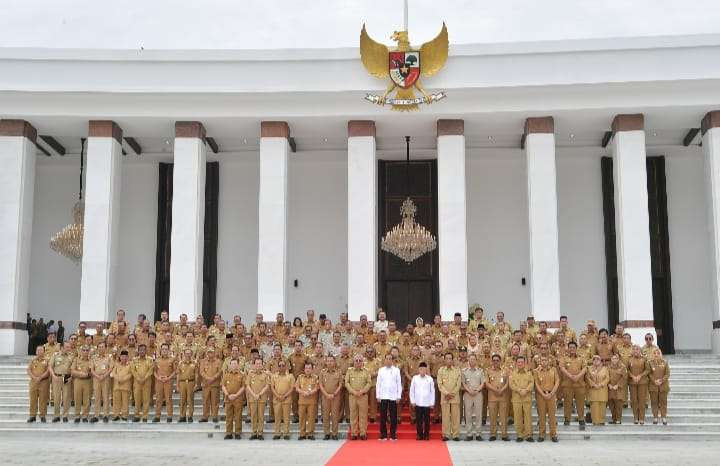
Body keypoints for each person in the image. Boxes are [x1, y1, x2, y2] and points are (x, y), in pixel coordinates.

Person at [559, 341, 587, 426]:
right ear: (568, 349)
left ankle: (581, 418)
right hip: (568, 384)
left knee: (580, 402)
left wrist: (578, 376)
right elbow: (562, 368)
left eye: (573, 347)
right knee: (567, 402)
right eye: (570, 347)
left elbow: (585, 368)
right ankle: (567, 419)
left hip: (580, 384)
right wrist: (570, 376)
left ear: (576, 348)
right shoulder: (564, 358)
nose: (572, 349)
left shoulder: (581, 358)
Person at [376, 353, 402, 441]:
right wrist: (378, 395)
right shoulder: (381, 370)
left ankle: (393, 434)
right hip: (383, 396)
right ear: (384, 360)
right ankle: (383, 434)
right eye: (387, 358)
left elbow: (399, 383)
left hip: (393, 396)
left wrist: (399, 396)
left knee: (393, 416)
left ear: (392, 360)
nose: (388, 360)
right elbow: (378, 384)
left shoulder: (396, 370)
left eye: (390, 359)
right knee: (383, 416)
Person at [533, 355, 559, 442]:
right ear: (539, 361)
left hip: (551, 395)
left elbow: (557, 381)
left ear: (549, 361)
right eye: (542, 360)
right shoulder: (536, 371)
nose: (544, 361)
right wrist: (543, 394)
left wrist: (552, 393)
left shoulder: (554, 370)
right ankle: (541, 434)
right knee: (542, 416)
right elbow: (536, 384)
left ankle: (553, 434)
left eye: (545, 360)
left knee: (552, 416)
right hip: (541, 395)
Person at [437, 352, 462, 441]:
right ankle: (446, 434)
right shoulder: (441, 370)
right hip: (445, 397)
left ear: (452, 360)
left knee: (455, 416)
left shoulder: (457, 370)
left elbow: (458, 384)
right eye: (446, 358)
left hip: (454, 397)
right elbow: (440, 384)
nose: (448, 360)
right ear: (444, 360)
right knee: (445, 416)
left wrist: (452, 394)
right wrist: (446, 393)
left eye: (450, 358)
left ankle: (455, 435)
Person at [345, 355, 371, 440]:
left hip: (363, 396)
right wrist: (353, 391)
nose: (358, 362)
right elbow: (347, 383)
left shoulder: (366, 371)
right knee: (353, 415)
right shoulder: (349, 371)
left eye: (360, 360)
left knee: (363, 416)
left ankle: (363, 433)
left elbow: (369, 383)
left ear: (362, 362)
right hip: (352, 396)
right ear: (354, 362)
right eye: (356, 360)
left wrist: (362, 391)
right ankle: (354, 433)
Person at [509, 356, 534, 442]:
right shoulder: (512, 373)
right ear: (516, 363)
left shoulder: (529, 373)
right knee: (517, 417)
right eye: (518, 362)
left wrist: (526, 390)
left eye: (522, 362)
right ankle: (519, 435)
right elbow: (511, 384)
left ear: (525, 363)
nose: (520, 363)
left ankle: (528, 435)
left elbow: (531, 383)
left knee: (528, 417)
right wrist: (519, 390)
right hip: (517, 398)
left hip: (527, 398)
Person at [461, 353, 485, 441]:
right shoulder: (464, 371)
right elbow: (463, 383)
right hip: (468, 394)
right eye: (471, 359)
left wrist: (477, 390)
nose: (472, 361)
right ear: (468, 360)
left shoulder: (480, 371)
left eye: (474, 359)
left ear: (476, 360)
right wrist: (468, 390)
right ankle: (469, 434)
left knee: (479, 414)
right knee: (468, 414)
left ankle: (478, 433)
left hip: (478, 394)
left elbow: (482, 383)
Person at [319, 355, 343, 440]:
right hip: (325, 397)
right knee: (325, 416)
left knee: (335, 415)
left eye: (331, 361)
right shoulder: (322, 372)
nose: (329, 362)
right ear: (326, 362)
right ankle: (327, 433)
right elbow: (321, 384)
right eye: (328, 361)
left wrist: (334, 394)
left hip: (335, 397)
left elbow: (340, 384)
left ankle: (334, 433)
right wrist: (326, 394)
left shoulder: (338, 372)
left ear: (334, 362)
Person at [409, 361, 435, 440]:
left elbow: (432, 391)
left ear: (426, 370)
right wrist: (412, 401)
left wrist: (432, 402)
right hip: (418, 403)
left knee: (427, 420)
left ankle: (426, 435)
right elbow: (412, 391)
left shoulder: (430, 379)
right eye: (421, 369)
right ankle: (419, 435)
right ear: (419, 370)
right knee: (419, 420)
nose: (422, 371)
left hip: (427, 403)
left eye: (424, 369)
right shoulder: (415, 378)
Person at [246, 357, 270, 439]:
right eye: (257, 363)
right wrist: (253, 394)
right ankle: (253, 432)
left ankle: (260, 433)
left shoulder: (265, 374)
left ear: (262, 365)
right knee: (253, 416)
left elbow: (267, 386)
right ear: (254, 365)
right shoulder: (250, 374)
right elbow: (247, 385)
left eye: (260, 363)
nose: (258, 365)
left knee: (261, 416)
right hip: (252, 398)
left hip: (261, 398)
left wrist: (259, 394)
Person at [271, 360, 295, 439]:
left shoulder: (290, 376)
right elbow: (272, 387)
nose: (281, 367)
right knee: (277, 417)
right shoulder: (274, 376)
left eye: (283, 365)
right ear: (278, 367)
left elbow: (292, 388)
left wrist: (284, 396)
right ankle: (277, 433)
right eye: (280, 365)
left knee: (286, 417)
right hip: (277, 399)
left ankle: (286, 433)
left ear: (286, 367)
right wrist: (277, 395)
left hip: (286, 399)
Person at [221, 359, 245, 440]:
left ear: (238, 365)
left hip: (238, 399)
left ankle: (238, 432)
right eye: (232, 364)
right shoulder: (226, 375)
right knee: (229, 416)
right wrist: (227, 394)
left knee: (238, 416)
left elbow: (243, 387)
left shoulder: (242, 375)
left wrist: (236, 395)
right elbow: (223, 386)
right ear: (230, 365)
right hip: (228, 399)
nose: (233, 365)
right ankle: (229, 432)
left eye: (235, 364)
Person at [90, 341, 113, 423]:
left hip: (105, 378)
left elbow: (110, 368)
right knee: (97, 397)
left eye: (102, 347)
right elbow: (92, 369)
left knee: (106, 397)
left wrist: (104, 376)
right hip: (96, 379)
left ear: (105, 348)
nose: (101, 348)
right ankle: (96, 415)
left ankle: (106, 415)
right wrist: (97, 376)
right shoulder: (94, 358)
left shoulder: (109, 357)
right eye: (99, 347)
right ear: (97, 348)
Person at [296, 361, 320, 440]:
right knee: (302, 418)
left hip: (311, 401)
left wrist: (310, 393)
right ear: (304, 369)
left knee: (311, 418)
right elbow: (297, 387)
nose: (308, 369)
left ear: (312, 369)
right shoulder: (300, 377)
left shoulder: (315, 377)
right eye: (306, 368)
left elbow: (317, 388)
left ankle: (310, 433)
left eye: (309, 368)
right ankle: (302, 433)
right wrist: (303, 392)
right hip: (302, 401)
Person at [130, 344, 154, 422]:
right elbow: (133, 370)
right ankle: (137, 415)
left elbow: (151, 370)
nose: (142, 351)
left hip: (146, 382)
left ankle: (145, 416)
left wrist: (144, 378)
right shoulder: (134, 360)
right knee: (137, 400)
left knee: (146, 400)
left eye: (143, 350)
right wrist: (138, 378)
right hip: (137, 383)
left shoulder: (150, 359)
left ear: (146, 351)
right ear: (138, 351)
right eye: (140, 350)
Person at [153, 343, 176, 422]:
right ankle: (157, 416)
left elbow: (174, 371)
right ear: (160, 350)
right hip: (159, 382)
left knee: (168, 399)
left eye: (166, 349)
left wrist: (168, 377)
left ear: (168, 350)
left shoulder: (172, 359)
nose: (164, 351)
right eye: (163, 349)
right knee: (158, 399)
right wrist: (158, 377)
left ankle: (169, 416)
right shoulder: (157, 360)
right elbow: (154, 371)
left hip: (168, 381)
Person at [27, 345, 50, 423]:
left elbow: (48, 371)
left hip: (43, 382)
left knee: (43, 400)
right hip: (34, 383)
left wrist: (40, 378)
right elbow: (28, 370)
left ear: (44, 351)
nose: (39, 352)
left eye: (41, 350)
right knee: (33, 400)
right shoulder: (32, 360)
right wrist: (34, 377)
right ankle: (32, 415)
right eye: (38, 350)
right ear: (36, 351)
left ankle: (42, 416)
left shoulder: (47, 360)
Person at [70, 345, 93, 423]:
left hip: (88, 382)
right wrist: (82, 374)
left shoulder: (91, 361)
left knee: (86, 399)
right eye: (84, 350)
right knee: (77, 398)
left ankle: (85, 416)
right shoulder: (76, 360)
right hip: (78, 381)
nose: (85, 352)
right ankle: (77, 415)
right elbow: (72, 371)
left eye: (87, 350)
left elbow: (93, 371)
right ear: (81, 351)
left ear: (89, 352)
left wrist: (87, 374)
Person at [628, 345, 649, 425]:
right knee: (634, 400)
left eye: (637, 349)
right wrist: (632, 376)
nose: (635, 350)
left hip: (642, 382)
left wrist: (640, 375)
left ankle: (641, 418)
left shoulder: (644, 359)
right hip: (633, 382)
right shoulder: (629, 359)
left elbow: (647, 370)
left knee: (642, 400)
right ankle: (635, 417)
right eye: (634, 349)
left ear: (640, 350)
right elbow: (627, 370)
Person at [199, 347, 222, 423]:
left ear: (214, 353)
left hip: (215, 384)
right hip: (206, 384)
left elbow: (220, 372)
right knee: (205, 401)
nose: (210, 354)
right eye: (209, 352)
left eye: (211, 352)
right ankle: (205, 416)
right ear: (207, 353)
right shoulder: (203, 361)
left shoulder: (218, 361)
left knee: (215, 401)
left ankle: (215, 416)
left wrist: (214, 378)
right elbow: (201, 372)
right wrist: (208, 378)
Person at [648, 348, 670, 425]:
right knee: (654, 402)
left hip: (663, 386)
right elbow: (649, 374)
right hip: (653, 386)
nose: (656, 355)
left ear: (660, 354)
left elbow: (667, 374)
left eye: (658, 353)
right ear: (652, 355)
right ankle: (655, 417)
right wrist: (654, 381)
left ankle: (663, 417)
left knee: (663, 402)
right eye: (654, 353)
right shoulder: (650, 363)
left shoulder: (665, 362)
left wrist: (661, 380)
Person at [586, 355, 609, 425]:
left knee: (602, 406)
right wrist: (593, 384)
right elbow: (587, 378)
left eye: (597, 359)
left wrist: (601, 384)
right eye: (594, 359)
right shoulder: (589, 369)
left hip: (602, 390)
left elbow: (607, 378)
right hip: (593, 390)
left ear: (601, 361)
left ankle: (602, 421)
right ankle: (595, 421)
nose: (596, 361)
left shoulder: (605, 368)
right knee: (594, 406)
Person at [110, 350, 132, 421]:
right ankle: (116, 415)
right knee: (116, 401)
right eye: (122, 356)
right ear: (120, 357)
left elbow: (130, 374)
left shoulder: (130, 365)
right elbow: (113, 373)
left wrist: (123, 379)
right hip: (117, 386)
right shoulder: (117, 364)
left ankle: (124, 415)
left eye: (125, 357)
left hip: (126, 386)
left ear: (128, 357)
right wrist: (118, 378)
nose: (124, 358)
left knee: (125, 401)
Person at [176, 349, 197, 422]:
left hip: (191, 383)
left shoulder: (194, 363)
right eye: (186, 353)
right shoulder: (180, 363)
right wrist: (177, 385)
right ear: (184, 354)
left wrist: (196, 384)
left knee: (190, 400)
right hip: (182, 383)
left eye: (189, 353)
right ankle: (182, 416)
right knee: (182, 400)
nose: (188, 355)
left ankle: (190, 416)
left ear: (191, 354)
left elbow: (196, 374)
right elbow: (178, 374)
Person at [607, 354, 628, 424]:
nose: (614, 360)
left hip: (618, 389)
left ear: (618, 359)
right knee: (611, 405)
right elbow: (606, 376)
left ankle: (618, 419)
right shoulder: (608, 367)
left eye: (616, 358)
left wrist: (618, 385)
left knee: (618, 405)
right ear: (611, 359)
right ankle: (614, 419)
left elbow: (624, 378)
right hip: (610, 389)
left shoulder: (622, 367)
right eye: (613, 358)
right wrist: (608, 384)